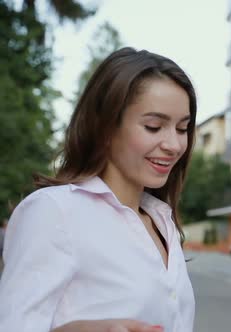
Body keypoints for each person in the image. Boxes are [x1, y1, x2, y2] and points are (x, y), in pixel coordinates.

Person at [0, 47, 197, 332]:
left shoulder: (160, 220)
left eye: (182, 128)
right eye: (154, 127)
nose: (175, 145)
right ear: (105, 127)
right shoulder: (54, 212)